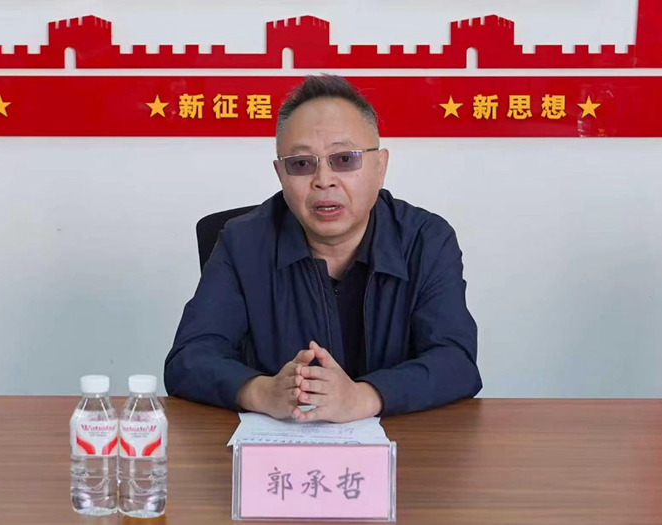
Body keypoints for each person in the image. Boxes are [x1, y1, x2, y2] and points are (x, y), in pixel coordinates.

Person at [164, 75, 481, 423]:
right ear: (281, 175)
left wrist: (363, 397)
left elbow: (456, 361)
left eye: (344, 159)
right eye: (301, 164)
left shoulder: (426, 240)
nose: (324, 180)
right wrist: (262, 392)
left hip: (404, 448)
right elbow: (188, 359)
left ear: (380, 167)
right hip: (277, 447)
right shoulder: (243, 243)